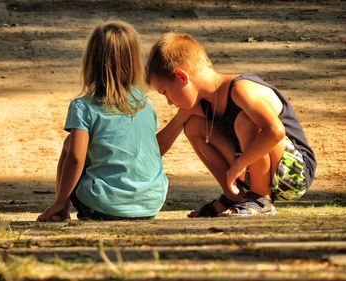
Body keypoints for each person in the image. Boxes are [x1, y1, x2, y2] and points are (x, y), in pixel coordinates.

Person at [145, 33, 316, 217]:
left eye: (165, 92)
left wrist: (239, 165)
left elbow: (275, 131)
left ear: (181, 76)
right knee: (194, 126)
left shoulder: (241, 89)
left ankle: (261, 198)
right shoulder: (200, 104)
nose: (169, 102)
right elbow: (159, 148)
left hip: (294, 174)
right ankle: (235, 196)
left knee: (246, 121)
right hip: (249, 172)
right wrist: (182, 116)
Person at [37, 20, 169, 222]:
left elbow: (75, 158)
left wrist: (62, 198)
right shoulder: (145, 103)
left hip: (104, 204)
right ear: (134, 61)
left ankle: (60, 207)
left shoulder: (83, 106)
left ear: (90, 61)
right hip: (151, 202)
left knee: (71, 146)